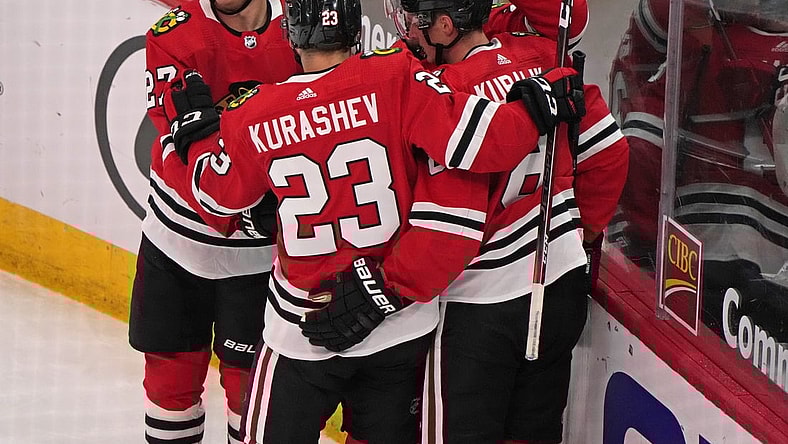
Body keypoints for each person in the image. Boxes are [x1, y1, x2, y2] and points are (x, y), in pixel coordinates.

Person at [158, 0, 585, 442]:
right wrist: (535, 108)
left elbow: (214, 198)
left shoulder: (256, 113)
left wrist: (188, 142)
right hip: (401, 329)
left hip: (302, 327)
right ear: (354, 28)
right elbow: (485, 144)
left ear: (291, 34)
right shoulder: (398, 78)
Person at [380, 0, 629, 442]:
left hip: (481, 310)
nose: (408, 31)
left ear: (443, 26)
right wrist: (582, 233)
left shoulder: (447, 96)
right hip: (561, 283)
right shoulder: (540, 58)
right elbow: (608, 153)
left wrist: (384, 290)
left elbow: (449, 229)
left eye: (416, 21)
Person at [128, 1, 301, 443]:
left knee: (252, 400)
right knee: (170, 392)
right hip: (177, 247)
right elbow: (175, 148)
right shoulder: (174, 34)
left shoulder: (303, 21)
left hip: (261, 262)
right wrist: (241, 208)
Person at [609, 0, 788, 343]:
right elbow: (642, 141)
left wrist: (638, 243)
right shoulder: (700, 47)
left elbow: (640, 140)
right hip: (712, 255)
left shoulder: (699, 44)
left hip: (701, 253)